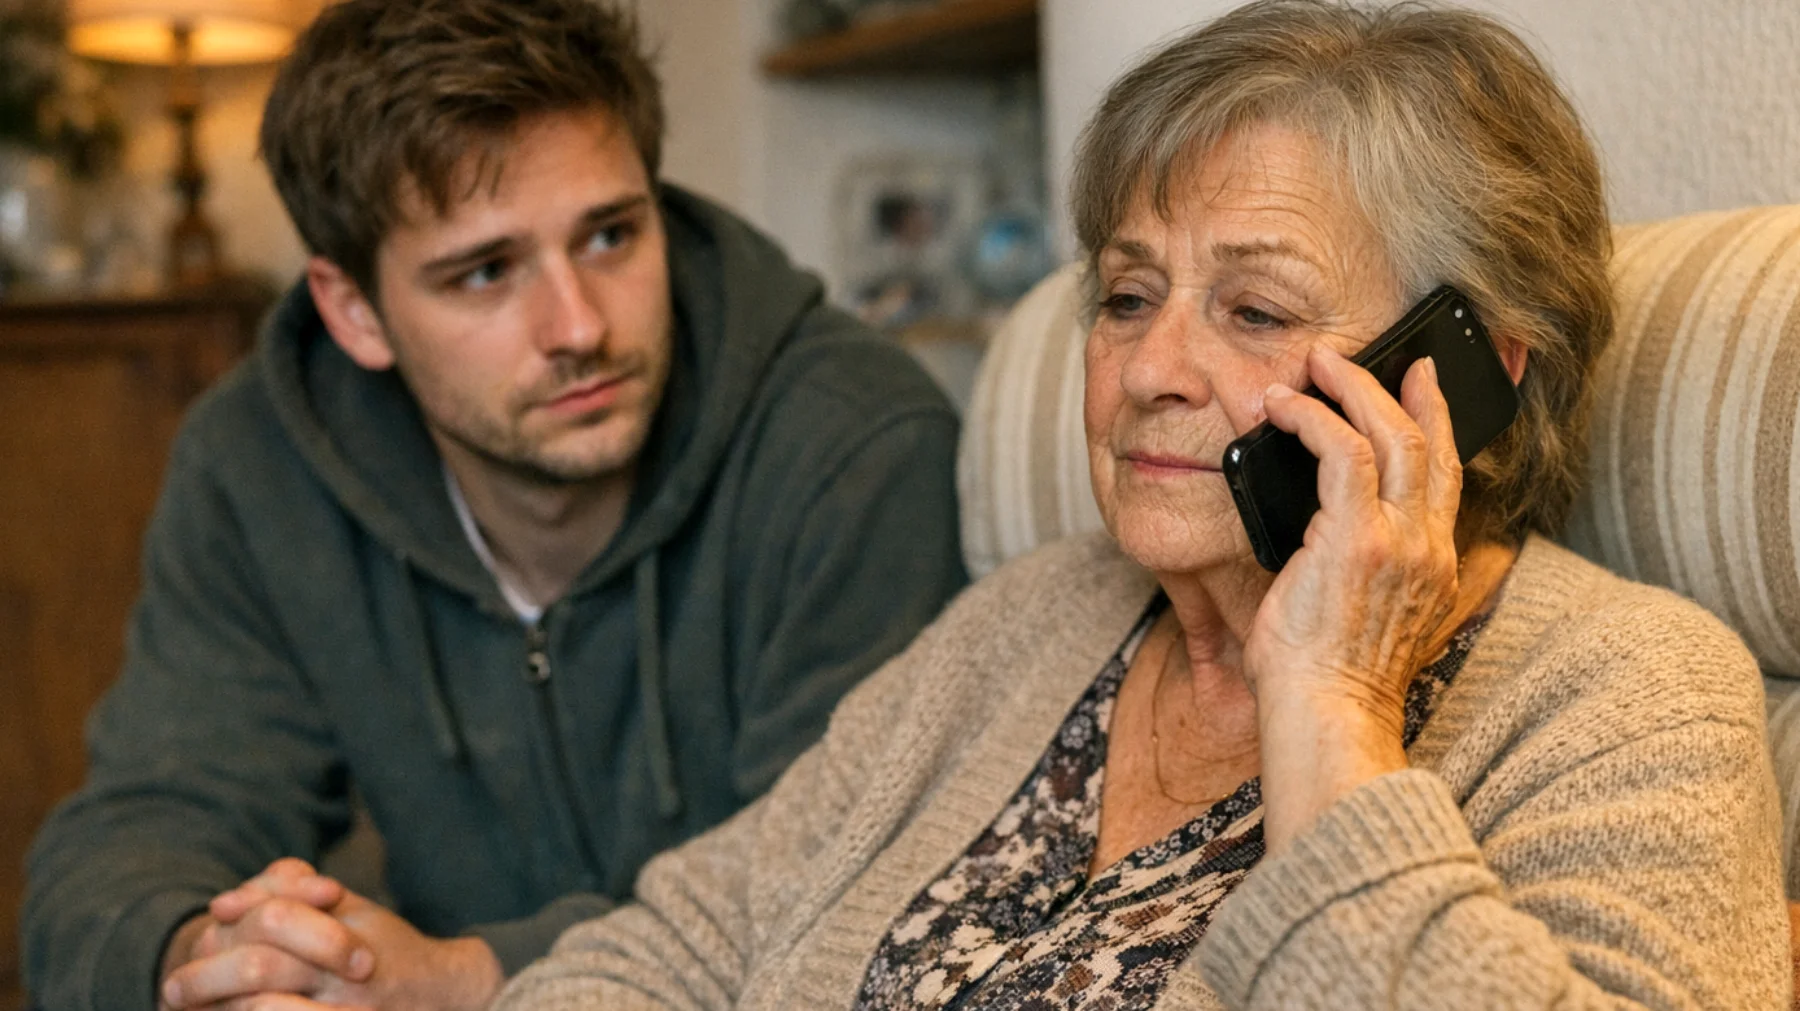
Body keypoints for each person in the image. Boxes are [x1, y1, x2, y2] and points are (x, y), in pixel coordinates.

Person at [487, 2, 1791, 1009]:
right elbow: (686, 943)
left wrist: (1332, 701)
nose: (1149, 371)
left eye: (1256, 310)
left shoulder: (1632, 703)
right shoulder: (1033, 614)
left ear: (1465, 379)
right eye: (1125, 295)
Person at [20, 1, 970, 1010]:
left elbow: (859, 896)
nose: (579, 327)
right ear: (353, 311)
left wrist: (471, 979)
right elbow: (139, 830)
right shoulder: (255, 463)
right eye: (485, 271)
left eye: (609, 235)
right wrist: (210, 963)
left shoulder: (856, 443)